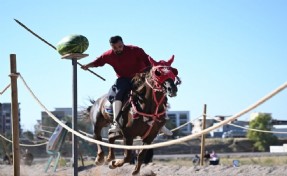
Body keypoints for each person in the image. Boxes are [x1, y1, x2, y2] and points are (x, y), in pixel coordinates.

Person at [81, 36, 172, 135]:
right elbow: (98, 62)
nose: (118, 49)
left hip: (140, 77)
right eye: (115, 48)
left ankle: (161, 124)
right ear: (111, 47)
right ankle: (116, 123)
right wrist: (87, 66)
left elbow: (149, 62)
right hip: (123, 79)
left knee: (157, 91)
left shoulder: (135, 50)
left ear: (123, 43)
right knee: (118, 94)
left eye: (120, 46)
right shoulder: (108, 55)